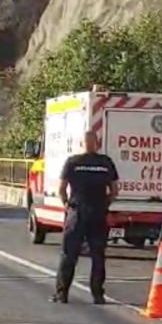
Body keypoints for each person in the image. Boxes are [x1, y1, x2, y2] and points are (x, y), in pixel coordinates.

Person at [51, 131, 119, 305]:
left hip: (77, 212)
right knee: (98, 255)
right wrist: (105, 205)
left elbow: (61, 188)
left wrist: (67, 205)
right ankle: (98, 295)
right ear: (97, 143)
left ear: (82, 144)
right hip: (97, 213)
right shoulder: (106, 162)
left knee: (68, 254)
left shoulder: (73, 162)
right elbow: (114, 190)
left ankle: (62, 293)